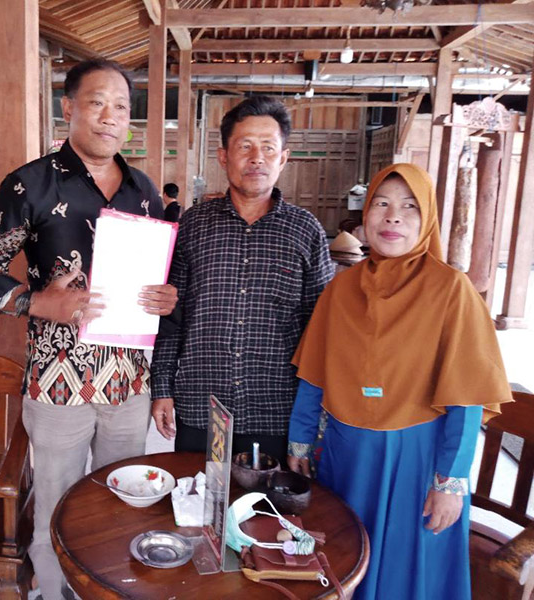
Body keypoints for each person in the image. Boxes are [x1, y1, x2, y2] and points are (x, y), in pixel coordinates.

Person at [0, 58, 177, 600]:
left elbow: (160, 278)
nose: (110, 116)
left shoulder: (144, 190)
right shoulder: (31, 184)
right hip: (58, 381)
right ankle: (53, 590)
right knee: (57, 505)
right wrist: (37, 302)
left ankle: (107, 589)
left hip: (128, 383)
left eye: (121, 107)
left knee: (121, 504)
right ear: (68, 108)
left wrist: (166, 296)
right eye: (97, 102)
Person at [287, 163, 512, 600]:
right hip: (346, 455)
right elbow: (314, 373)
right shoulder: (341, 289)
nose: (393, 217)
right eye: (382, 204)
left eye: (410, 207)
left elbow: (467, 398)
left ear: (427, 219)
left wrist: (450, 483)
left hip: (418, 461)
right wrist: (299, 442)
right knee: (344, 554)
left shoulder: (451, 290)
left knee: (406, 568)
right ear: (365, 215)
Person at [150, 96, 334, 459]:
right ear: (223, 157)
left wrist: (314, 416)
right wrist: (162, 388)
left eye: (268, 147)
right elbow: (171, 317)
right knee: (195, 494)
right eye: (245, 146)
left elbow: (321, 330)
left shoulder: (306, 231)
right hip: (200, 404)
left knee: (269, 498)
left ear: (283, 158)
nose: (257, 158)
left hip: (277, 410)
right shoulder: (193, 226)